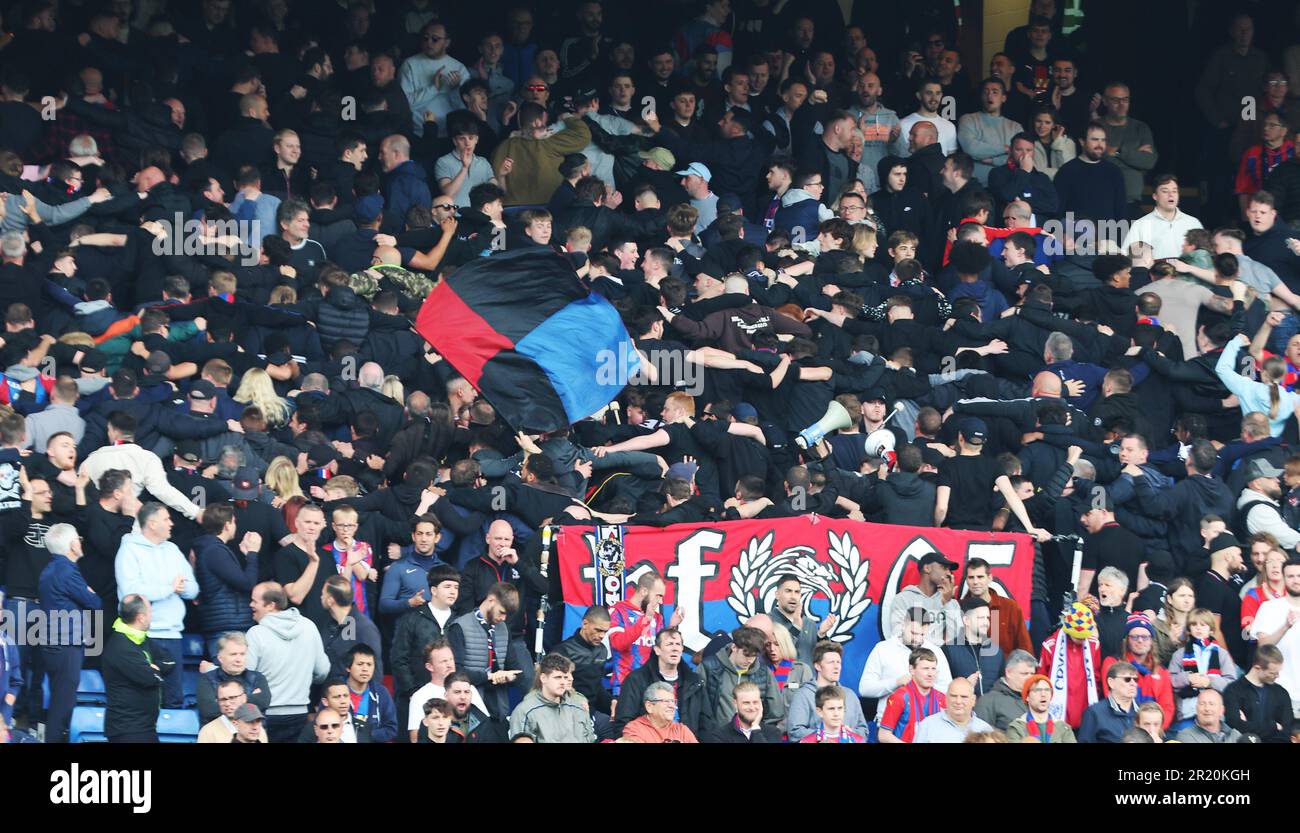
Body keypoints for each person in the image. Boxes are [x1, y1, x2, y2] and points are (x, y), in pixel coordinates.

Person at [114, 502, 197, 709]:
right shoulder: (128, 550)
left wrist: (181, 588)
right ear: (151, 523)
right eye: (166, 519)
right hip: (142, 637)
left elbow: (193, 588)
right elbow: (130, 593)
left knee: (174, 699)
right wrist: (169, 588)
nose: (172, 523)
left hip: (173, 636)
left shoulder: (173, 550)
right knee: (145, 700)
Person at [245, 582, 330, 744]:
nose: (250, 605)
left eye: (254, 601)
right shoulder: (309, 626)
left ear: (271, 605)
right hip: (300, 715)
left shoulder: (255, 634)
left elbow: (245, 677)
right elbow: (323, 671)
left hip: (265, 716)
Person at [37, 522, 99, 743]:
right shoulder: (67, 571)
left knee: (58, 702)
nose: (81, 543)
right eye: (79, 539)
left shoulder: (49, 569)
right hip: (66, 644)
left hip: (54, 644)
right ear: (73, 545)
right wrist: (89, 594)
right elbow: (94, 602)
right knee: (62, 707)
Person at [390, 563, 460, 730]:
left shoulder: (460, 620)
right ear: (433, 590)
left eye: (456, 587)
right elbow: (399, 658)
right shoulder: (412, 618)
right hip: (414, 697)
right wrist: (414, 692)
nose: (453, 591)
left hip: (450, 699)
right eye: (447, 586)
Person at [101, 595, 175, 743]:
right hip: (128, 730)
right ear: (141, 617)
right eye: (150, 612)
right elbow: (150, 679)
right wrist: (154, 671)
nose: (151, 616)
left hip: (145, 728)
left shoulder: (142, 639)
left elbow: (171, 661)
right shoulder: (121, 646)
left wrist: (154, 668)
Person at [858, 607, 953, 720]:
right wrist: (896, 683)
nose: (917, 639)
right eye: (913, 633)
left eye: (922, 635)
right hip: (889, 723)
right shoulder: (883, 649)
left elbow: (948, 690)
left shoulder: (936, 652)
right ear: (903, 625)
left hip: (926, 724)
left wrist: (924, 685)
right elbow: (865, 689)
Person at [445, 581, 523, 718]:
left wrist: (509, 677)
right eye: (501, 612)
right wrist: (489, 676)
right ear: (491, 600)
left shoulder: (504, 629)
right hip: (468, 706)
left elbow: (516, 669)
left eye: (507, 615)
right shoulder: (459, 626)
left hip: (498, 707)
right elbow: (455, 671)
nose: (503, 618)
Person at [614, 627, 708, 738]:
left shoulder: (695, 681)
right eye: (669, 644)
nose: (675, 648)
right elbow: (624, 724)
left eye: (678, 644)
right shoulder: (636, 680)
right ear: (657, 650)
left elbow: (706, 724)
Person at [696, 625, 784, 732]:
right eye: (746, 655)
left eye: (754, 656)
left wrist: (759, 733)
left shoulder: (764, 673)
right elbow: (697, 706)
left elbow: (775, 712)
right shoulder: (709, 667)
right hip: (716, 737)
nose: (750, 660)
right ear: (734, 647)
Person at [610, 571, 683, 694]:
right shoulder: (618, 612)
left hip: (652, 688)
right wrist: (645, 620)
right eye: (658, 596)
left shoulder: (657, 617)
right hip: (625, 688)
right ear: (644, 591)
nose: (660, 601)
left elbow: (660, 650)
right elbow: (618, 644)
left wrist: (671, 626)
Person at [1167, 607, 1239, 732]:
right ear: (1189, 629)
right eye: (1194, 625)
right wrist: (1187, 678)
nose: (1198, 628)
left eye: (1203, 625)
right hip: (1188, 712)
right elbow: (1169, 680)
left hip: (1214, 715)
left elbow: (1232, 683)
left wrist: (1209, 682)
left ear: (1211, 629)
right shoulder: (1179, 654)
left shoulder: (1221, 654)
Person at [1100, 614, 1174, 731]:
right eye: (1135, 637)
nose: (1140, 640)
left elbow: (1167, 707)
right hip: (1120, 730)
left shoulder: (1162, 672)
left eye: (1145, 637)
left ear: (1151, 641)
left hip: (1152, 732)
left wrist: (1153, 731)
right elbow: (1112, 700)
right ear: (1127, 640)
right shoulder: (1112, 663)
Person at [786, 639, 869, 740]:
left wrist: (849, 734)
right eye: (831, 662)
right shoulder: (803, 695)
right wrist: (829, 735)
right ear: (817, 666)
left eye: (838, 662)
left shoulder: (850, 695)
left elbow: (864, 731)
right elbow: (795, 732)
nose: (836, 666)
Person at [1037, 601, 1102, 729]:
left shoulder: (1093, 645)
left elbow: (1096, 679)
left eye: (1085, 636)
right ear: (1069, 631)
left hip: (1085, 716)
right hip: (1058, 718)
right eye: (1079, 637)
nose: (1084, 640)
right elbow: (1041, 680)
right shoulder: (1050, 645)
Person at [1249, 557, 1300, 718]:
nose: (1295, 580)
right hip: (1279, 689)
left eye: (1299, 576)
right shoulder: (1269, 608)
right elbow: (1262, 646)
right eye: (1290, 576)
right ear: (1283, 578)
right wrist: (1285, 626)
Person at [507, 653, 595, 743]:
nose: (563, 682)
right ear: (543, 678)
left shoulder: (578, 706)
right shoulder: (525, 710)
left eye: (565, 678)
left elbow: (590, 739)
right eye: (558, 677)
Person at [963, 557, 1033, 657]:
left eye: (980, 577)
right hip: (968, 671)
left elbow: (1025, 648)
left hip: (1006, 671)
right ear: (966, 580)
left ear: (990, 578)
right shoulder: (959, 608)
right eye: (971, 577)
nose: (975, 582)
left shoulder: (1011, 608)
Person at [1222, 643, 1293, 742]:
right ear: (1257, 668)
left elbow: (1286, 731)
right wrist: (1273, 727)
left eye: (1278, 672)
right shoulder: (1233, 691)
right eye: (1272, 673)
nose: (1277, 676)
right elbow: (1234, 725)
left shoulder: (1281, 693)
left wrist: (1248, 726)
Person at [195, 632, 271, 724]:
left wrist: (224, 703)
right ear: (220, 658)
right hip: (218, 735)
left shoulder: (257, 677)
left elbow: (264, 702)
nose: (239, 659)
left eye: (242, 654)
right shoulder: (207, 679)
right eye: (233, 654)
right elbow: (209, 710)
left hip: (252, 735)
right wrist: (248, 699)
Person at [887, 552, 962, 644]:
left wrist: (947, 602)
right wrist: (937, 645)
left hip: (939, 656)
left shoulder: (951, 602)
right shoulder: (903, 599)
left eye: (949, 570)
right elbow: (898, 634)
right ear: (927, 568)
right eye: (944, 568)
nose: (948, 573)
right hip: (912, 656)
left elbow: (957, 639)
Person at [320, 574, 383, 678]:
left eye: (323, 594)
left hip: (351, 693)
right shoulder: (329, 624)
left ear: (330, 601)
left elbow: (375, 671)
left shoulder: (364, 628)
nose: (321, 597)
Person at [878, 648, 946, 743]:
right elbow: (883, 735)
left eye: (933, 669)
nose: (930, 674)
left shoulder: (942, 698)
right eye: (925, 669)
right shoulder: (899, 697)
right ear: (912, 670)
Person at [943, 596, 1006, 697]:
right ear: (966, 620)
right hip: (962, 711)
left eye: (987, 618)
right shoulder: (948, 650)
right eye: (981, 618)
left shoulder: (997, 651)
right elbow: (941, 689)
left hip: (991, 711)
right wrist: (963, 686)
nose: (986, 622)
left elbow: (1003, 688)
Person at [973, 650, 1039, 731]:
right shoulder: (988, 701)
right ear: (1008, 672)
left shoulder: (1038, 699)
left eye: (1032, 674)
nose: (1030, 678)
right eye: (1024, 674)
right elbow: (979, 736)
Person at [913, 677, 993, 743]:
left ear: (973, 700)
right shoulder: (927, 726)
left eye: (964, 697)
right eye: (953, 696)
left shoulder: (985, 730)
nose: (958, 701)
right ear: (946, 698)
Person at [1078, 660, 1140, 743]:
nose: (1133, 683)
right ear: (1111, 682)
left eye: (1135, 680)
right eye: (1127, 679)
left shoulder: (1143, 710)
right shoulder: (1094, 713)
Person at [1005, 674, 1078, 743]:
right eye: (1037, 690)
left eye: (1047, 690)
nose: (1043, 694)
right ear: (1027, 697)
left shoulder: (1063, 728)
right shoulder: (1016, 728)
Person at [620, 680, 699, 743]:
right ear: (649, 706)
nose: (672, 706)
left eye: (673, 701)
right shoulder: (634, 729)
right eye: (666, 701)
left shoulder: (681, 730)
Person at [704, 680, 782, 743]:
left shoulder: (773, 732)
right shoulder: (720, 736)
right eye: (746, 703)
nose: (752, 707)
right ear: (735, 704)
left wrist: (755, 729)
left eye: (755, 702)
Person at [198, 679, 268, 743]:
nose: (227, 704)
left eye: (232, 698)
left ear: (244, 698)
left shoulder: (258, 730)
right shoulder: (208, 732)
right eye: (223, 699)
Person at [796, 685, 865, 743]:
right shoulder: (807, 741)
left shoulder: (858, 740)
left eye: (840, 708)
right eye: (831, 709)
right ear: (819, 711)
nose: (836, 713)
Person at [1175, 689, 1243, 743]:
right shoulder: (1185, 736)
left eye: (1211, 704)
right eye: (1202, 704)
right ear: (1196, 709)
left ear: (1221, 710)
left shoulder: (1235, 735)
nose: (1207, 708)